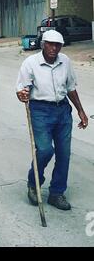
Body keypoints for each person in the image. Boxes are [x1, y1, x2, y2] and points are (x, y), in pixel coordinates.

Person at [16, 30, 88, 210]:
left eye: (58, 45)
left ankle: (57, 193)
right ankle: (34, 183)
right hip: (40, 110)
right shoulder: (30, 63)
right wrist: (22, 94)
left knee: (64, 153)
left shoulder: (65, 61)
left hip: (62, 110)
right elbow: (21, 89)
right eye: (50, 44)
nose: (54, 48)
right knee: (46, 150)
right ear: (43, 44)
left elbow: (70, 88)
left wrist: (80, 111)